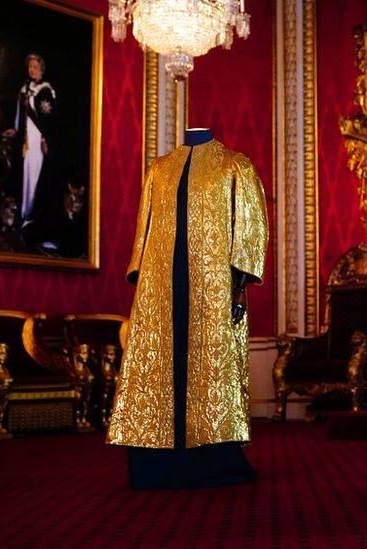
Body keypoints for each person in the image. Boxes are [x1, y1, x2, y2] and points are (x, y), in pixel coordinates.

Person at [108, 128, 269, 489]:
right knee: (161, 365)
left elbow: (250, 226)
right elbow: (144, 230)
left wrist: (239, 281)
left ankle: (214, 456)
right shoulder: (159, 168)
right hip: (161, 281)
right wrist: (144, 275)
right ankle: (156, 458)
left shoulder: (233, 165)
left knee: (210, 370)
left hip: (213, 284)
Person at [3, 53, 60, 226]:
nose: (32, 70)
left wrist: (45, 139)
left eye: (35, 67)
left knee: (35, 173)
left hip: (38, 139)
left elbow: (50, 120)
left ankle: (33, 215)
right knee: (24, 172)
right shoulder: (24, 89)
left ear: (41, 69)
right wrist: (15, 128)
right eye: (30, 67)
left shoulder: (45, 90)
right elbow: (19, 113)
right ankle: (23, 213)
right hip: (24, 138)